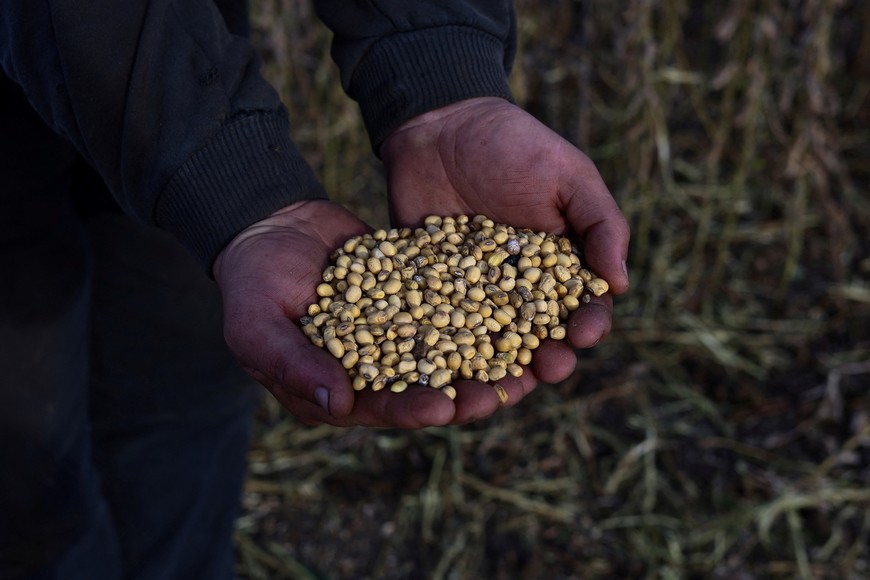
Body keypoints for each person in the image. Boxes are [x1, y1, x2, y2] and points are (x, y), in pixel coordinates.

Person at [0, 0, 630, 578]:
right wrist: (228, 175)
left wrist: (437, 68)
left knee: (180, 384)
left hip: (174, 72)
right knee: (28, 460)